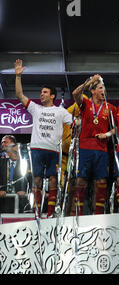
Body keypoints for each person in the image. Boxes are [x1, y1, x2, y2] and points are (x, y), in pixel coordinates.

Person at [15, 59, 73, 218]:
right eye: (41, 92)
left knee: (54, 180)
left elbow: (75, 122)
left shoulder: (61, 111)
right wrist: (18, 76)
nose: (41, 94)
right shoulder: (35, 108)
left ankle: (51, 212)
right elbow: (19, 94)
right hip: (37, 149)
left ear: (52, 96)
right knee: (37, 181)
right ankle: (37, 213)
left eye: (45, 92)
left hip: (53, 150)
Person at [72, 74, 115, 215]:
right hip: (85, 147)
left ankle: (98, 215)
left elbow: (118, 128)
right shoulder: (85, 104)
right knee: (81, 182)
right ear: (93, 91)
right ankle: (77, 214)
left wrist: (107, 134)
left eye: (104, 88)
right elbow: (75, 93)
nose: (104, 91)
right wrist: (90, 81)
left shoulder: (110, 108)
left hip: (102, 149)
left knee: (101, 182)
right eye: (100, 88)